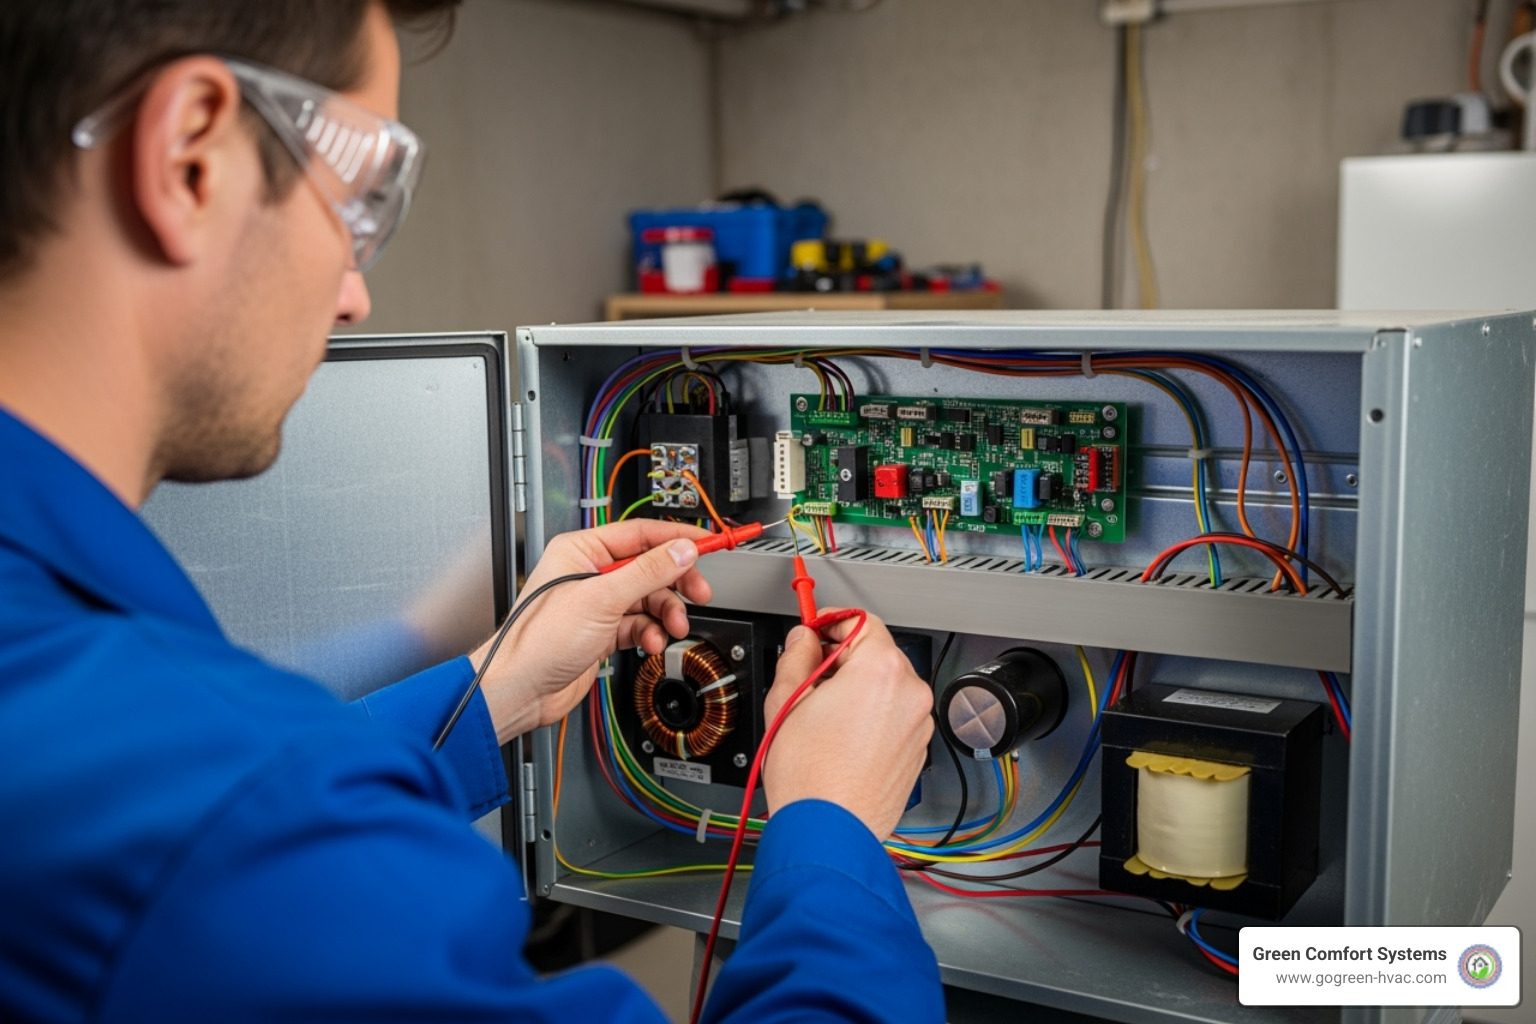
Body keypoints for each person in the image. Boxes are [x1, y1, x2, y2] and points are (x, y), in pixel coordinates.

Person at [0, 2, 945, 1021]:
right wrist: (832, 826)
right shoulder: (239, 843)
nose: (355, 294)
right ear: (191, 158)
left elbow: (224, 795)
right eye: (358, 205)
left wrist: (488, 695)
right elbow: (243, 820)